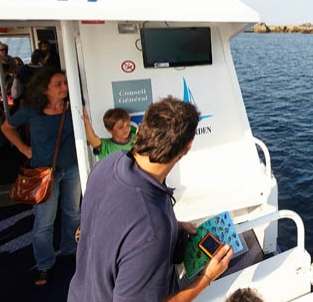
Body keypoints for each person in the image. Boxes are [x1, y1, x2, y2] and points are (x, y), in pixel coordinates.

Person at [68, 96, 233, 302]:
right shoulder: (152, 228)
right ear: (188, 146)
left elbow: (114, 225)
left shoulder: (107, 164)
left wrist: (175, 225)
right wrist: (207, 277)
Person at [1, 67, 81, 286]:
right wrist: (25, 149)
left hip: (72, 168)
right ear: (44, 89)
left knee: (73, 213)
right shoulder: (32, 110)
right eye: (58, 84)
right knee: (44, 221)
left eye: (65, 83)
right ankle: (44, 264)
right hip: (44, 173)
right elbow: (6, 127)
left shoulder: (72, 107)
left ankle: (70, 249)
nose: (65, 87)